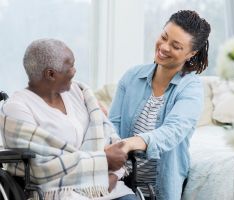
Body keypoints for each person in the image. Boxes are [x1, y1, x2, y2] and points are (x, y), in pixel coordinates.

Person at [0, 39, 137, 200]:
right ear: (50, 74)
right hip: (59, 192)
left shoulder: (79, 92)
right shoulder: (16, 108)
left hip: (107, 186)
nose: (74, 70)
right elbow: (41, 167)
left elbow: (109, 137)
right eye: (70, 66)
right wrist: (103, 159)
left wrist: (114, 175)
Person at [109, 10, 211, 200]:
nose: (163, 47)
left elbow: (173, 131)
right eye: (164, 37)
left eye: (176, 46)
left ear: (191, 53)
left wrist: (131, 143)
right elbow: (113, 123)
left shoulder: (191, 87)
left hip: (159, 183)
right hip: (119, 176)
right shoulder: (132, 76)